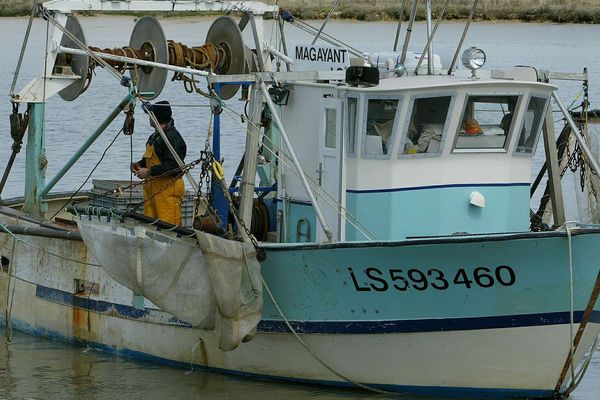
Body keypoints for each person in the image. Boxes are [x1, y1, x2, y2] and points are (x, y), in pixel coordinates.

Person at [131, 100, 187, 225]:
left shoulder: (172, 138)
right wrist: (140, 165)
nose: (149, 118)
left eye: (151, 115)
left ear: (157, 117)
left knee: (169, 227)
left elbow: (174, 166)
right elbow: (150, 159)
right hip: (152, 190)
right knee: (151, 226)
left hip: (167, 191)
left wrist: (149, 172)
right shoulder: (156, 136)